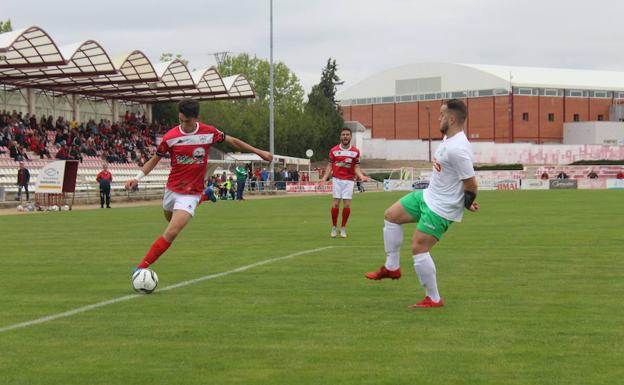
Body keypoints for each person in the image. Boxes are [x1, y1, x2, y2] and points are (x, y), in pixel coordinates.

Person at [125, 98, 272, 271]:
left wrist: (258, 152)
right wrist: (137, 177)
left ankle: (141, 268)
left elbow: (232, 141)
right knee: (169, 219)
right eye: (180, 120)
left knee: (171, 232)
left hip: (191, 192)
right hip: (172, 189)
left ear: (196, 118)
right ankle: (207, 195)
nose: (183, 124)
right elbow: (154, 160)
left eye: (187, 121)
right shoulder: (171, 137)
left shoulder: (208, 132)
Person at [364, 99, 479, 308]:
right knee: (391, 216)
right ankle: (392, 268)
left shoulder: (458, 149)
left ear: (452, 119)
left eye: (442, 114)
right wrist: (465, 201)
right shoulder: (448, 140)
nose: (438, 118)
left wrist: (463, 203)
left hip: (441, 208)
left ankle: (433, 298)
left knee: (419, 247)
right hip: (428, 196)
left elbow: (471, 184)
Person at [321, 127, 368, 238]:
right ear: (340, 137)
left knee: (346, 205)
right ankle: (334, 227)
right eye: (343, 134)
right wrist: (324, 178)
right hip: (337, 179)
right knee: (336, 204)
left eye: (347, 134)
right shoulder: (334, 150)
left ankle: (343, 228)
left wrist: (361, 176)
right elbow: (329, 165)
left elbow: (356, 167)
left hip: (349, 180)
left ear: (350, 137)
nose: (345, 136)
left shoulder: (355, 151)